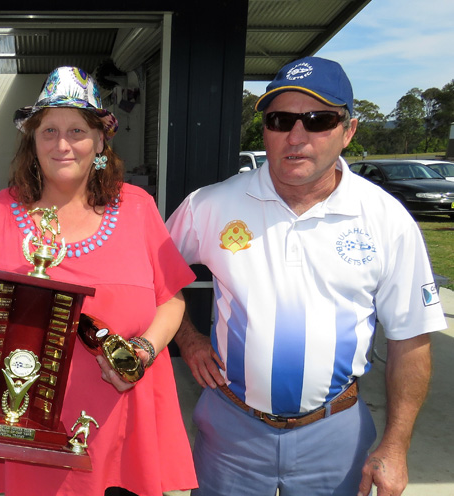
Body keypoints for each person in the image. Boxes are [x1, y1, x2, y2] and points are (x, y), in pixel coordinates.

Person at [166, 56, 447, 496]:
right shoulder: (210, 205)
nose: (296, 137)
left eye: (318, 120)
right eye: (280, 120)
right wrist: (188, 338)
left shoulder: (386, 219)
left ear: (349, 130)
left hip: (335, 433)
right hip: (230, 431)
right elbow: (152, 277)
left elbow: (411, 338)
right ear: (265, 130)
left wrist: (395, 444)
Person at [0, 66, 198, 496]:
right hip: (29, 420)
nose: (63, 143)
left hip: (126, 413)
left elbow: (172, 300)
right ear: (32, 142)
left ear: (101, 141)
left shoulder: (138, 208)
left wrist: (141, 353)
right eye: (48, 130)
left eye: (77, 130)